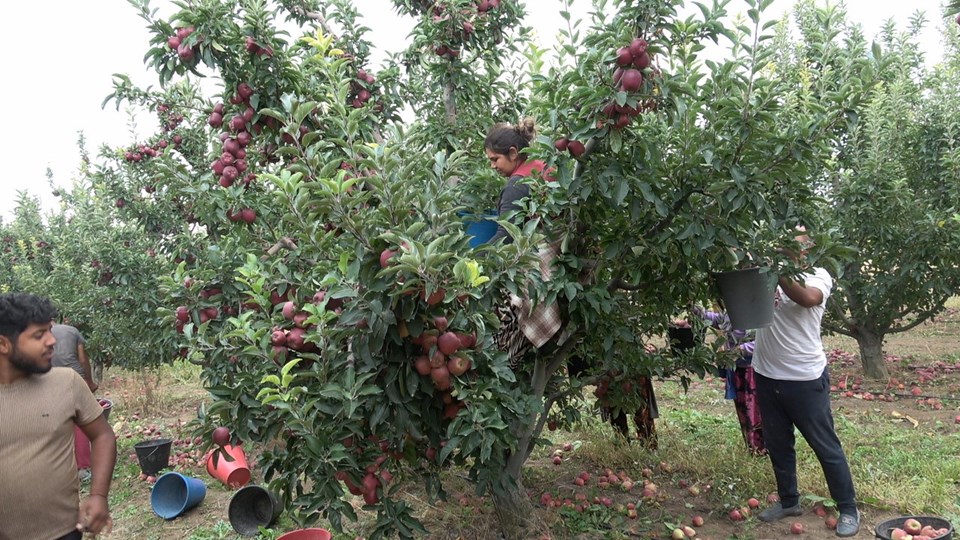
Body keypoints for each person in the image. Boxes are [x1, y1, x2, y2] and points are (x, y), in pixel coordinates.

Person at [752, 231, 859, 537]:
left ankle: (848, 508)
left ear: (808, 247)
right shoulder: (767, 274)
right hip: (766, 373)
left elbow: (808, 299)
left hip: (804, 378)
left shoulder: (818, 275)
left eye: (793, 242)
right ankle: (788, 501)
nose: (785, 246)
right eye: (781, 242)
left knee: (825, 445)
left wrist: (777, 270)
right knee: (778, 442)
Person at [0, 293, 117, 540]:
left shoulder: (66, 382)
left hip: (63, 532)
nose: (52, 340)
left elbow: (103, 435)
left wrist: (98, 495)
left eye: (50, 331)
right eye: (38, 335)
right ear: (3, 344)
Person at [691, 307, 765, 455]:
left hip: (752, 370)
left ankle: (761, 449)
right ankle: (752, 447)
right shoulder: (732, 307)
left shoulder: (755, 310)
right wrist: (698, 311)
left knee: (754, 411)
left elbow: (764, 341)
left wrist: (740, 349)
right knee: (744, 410)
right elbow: (720, 320)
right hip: (737, 368)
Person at [483, 117, 555, 245]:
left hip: (544, 253)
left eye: (495, 159)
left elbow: (507, 235)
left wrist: (474, 258)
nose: (492, 166)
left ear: (513, 153)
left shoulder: (516, 185)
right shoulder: (544, 166)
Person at [52, 320, 98, 481]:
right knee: (82, 423)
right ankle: (83, 468)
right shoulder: (72, 331)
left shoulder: (36, 334)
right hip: (75, 378)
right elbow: (83, 359)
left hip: (51, 382)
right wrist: (90, 382)